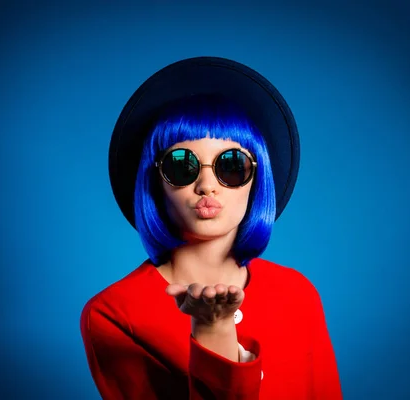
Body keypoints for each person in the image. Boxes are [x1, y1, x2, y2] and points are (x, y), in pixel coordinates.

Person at [80, 57, 343, 399]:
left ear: (257, 179)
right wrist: (212, 330)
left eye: (231, 165)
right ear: (155, 182)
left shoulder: (298, 294)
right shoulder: (114, 314)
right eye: (181, 165)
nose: (207, 185)